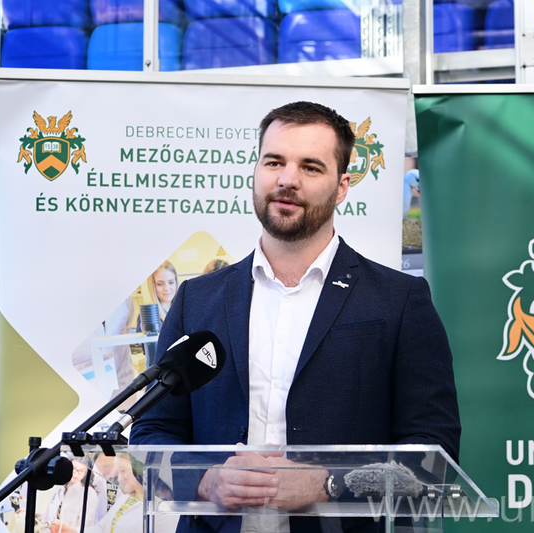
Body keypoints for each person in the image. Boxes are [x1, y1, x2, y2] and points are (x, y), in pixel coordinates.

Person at [130, 101, 461, 532]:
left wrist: (328, 484)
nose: (287, 179)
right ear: (256, 171)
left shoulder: (398, 300)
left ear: (341, 187)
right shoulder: (197, 299)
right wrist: (206, 480)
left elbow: (433, 452)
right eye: (274, 162)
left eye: (310, 167)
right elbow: (152, 431)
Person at [49, 455, 177, 533]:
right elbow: (103, 528)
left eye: (123, 471)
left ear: (140, 469)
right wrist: (73, 531)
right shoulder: (127, 498)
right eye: (118, 473)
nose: (119, 479)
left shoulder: (164, 507)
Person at [43, 457, 99, 531]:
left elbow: (87, 527)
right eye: (74, 468)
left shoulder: (89, 494)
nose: (76, 474)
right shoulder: (59, 486)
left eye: (81, 471)